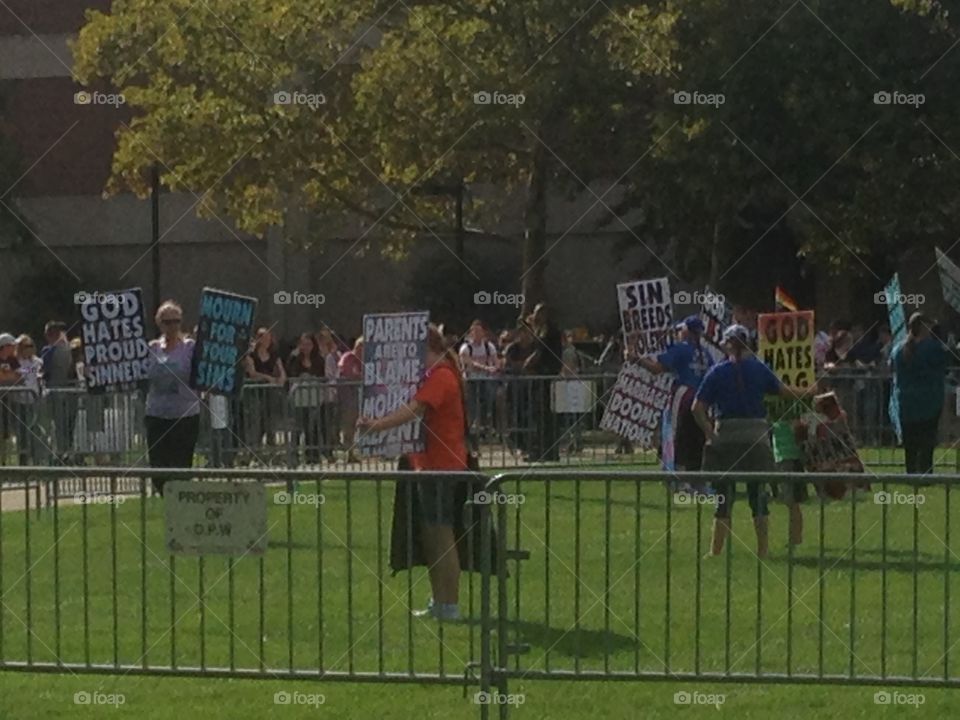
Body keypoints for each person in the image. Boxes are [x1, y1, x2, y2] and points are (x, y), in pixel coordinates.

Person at [358, 325, 467, 621]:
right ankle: (439, 602)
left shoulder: (442, 375)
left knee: (442, 534)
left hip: (442, 466)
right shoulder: (432, 375)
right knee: (431, 535)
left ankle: (450, 604)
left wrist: (377, 426)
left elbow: (414, 409)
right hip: (427, 464)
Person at [692, 325, 816, 558]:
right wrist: (810, 390)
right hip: (756, 437)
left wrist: (710, 433)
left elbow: (697, 408)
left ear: (726, 344)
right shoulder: (759, 369)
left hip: (726, 435)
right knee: (757, 494)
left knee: (723, 497)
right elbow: (783, 391)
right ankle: (763, 550)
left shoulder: (717, 372)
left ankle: (715, 551)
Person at [639, 316, 713, 485]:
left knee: (676, 436)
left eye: (681, 330)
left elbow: (656, 368)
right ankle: (696, 479)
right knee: (696, 438)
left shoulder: (681, 349)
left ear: (687, 331)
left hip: (684, 396)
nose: (679, 333)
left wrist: (636, 358)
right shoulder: (706, 353)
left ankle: (677, 478)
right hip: (702, 399)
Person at [144, 301, 200, 496]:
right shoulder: (152, 348)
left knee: (181, 466)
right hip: (157, 415)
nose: (172, 326)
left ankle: (181, 503)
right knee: (158, 467)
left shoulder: (191, 348)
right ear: (160, 324)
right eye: (167, 322)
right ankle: (164, 501)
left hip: (185, 416)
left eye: (176, 321)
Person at [891, 312, 948, 476]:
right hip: (929, 400)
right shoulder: (932, 347)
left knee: (910, 442)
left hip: (906, 401)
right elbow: (946, 360)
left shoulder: (898, 349)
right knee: (927, 440)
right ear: (924, 328)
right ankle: (925, 472)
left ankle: (910, 473)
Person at [524, 303, 563, 461]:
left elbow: (540, 351)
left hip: (547, 376)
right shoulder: (539, 330)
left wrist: (528, 363)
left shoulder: (550, 332)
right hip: (540, 376)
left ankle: (547, 451)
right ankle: (539, 450)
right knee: (538, 415)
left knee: (545, 416)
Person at [243, 327, 287, 457]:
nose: (267, 341)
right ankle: (253, 452)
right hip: (255, 394)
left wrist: (281, 380)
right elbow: (252, 373)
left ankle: (272, 453)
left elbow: (282, 371)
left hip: (271, 394)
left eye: (269, 338)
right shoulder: (251, 355)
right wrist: (267, 378)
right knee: (256, 422)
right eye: (264, 338)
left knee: (270, 423)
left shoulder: (274, 355)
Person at [40, 321, 78, 463]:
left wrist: (24, 371)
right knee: (70, 426)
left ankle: (60, 454)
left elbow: (42, 370)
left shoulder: (49, 351)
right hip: (72, 393)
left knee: (58, 426)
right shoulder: (72, 350)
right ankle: (70, 453)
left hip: (55, 392)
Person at [286, 332, 324, 465]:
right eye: (303, 344)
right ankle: (293, 456)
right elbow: (291, 374)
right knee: (296, 428)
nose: (306, 347)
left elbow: (321, 376)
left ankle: (312, 456)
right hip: (298, 398)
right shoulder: (294, 358)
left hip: (313, 398)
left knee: (312, 428)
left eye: (309, 344)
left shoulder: (318, 359)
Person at [459, 319, 499, 438]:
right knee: (471, 406)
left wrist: (496, 367)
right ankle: (470, 430)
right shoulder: (465, 348)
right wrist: (486, 368)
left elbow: (495, 360)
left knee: (490, 402)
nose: (477, 334)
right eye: (474, 331)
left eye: (479, 331)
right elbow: (470, 364)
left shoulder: (489, 347)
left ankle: (489, 428)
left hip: (486, 380)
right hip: (471, 381)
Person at [13, 335, 43, 464]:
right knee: (22, 432)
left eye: (31, 346)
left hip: (34, 399)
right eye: (26, 347)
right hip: (19, 401)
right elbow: (18, 372)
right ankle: (23, 460)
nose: (29, 349)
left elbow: (40, 371)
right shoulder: (15, 361)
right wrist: (30, 370)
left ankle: (37, 459)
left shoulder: (37, 361)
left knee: (35, 430)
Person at [338, 337, 364, 463]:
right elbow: (346, 373)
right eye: (361, 347)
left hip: (357, 397)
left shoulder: (362, 361)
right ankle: (347, 453)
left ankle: (352, 453)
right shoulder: (348, 357)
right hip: (346, 397)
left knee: (354, 426)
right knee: (347, 426)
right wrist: (359, 377)